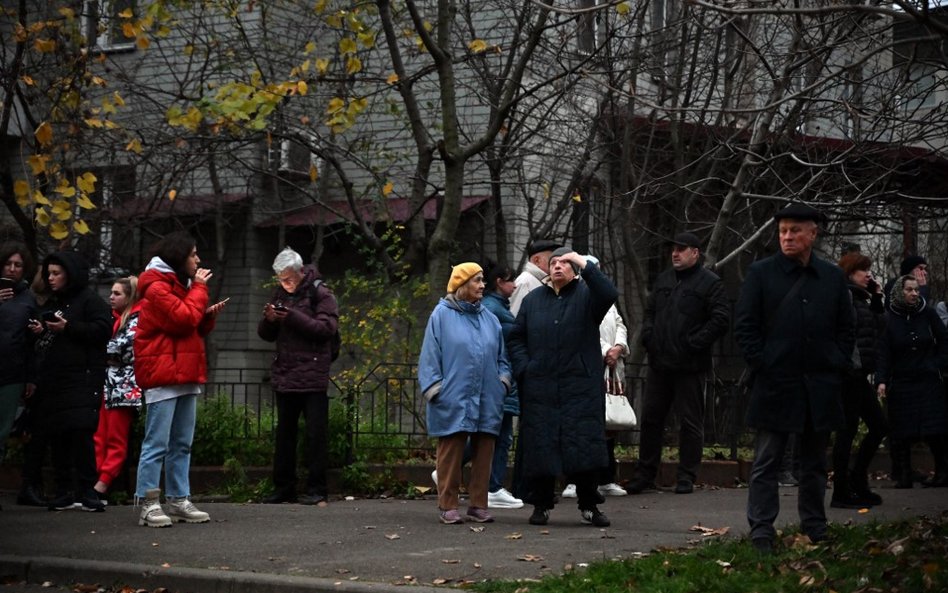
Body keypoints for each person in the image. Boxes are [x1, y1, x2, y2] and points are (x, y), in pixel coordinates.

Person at [734, 203, 855, 554]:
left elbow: (846, 329)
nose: (787, 237)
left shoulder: (832, 277)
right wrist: (764, 361)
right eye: (783, 231)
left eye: (795, 231)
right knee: (767, 461)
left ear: (813, 234)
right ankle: (761, 531)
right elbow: (745, 327)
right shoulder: (761, 273)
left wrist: (835, 361)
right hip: (775, 383)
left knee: (814, 462)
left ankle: (815, 526)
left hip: (819, 384)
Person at [508, 248, 618, 527]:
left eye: (565, 263)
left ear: (575, 269)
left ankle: (589, 505)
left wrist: (583, 262)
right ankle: (542, 504)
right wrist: (525, 368)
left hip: (579, 387)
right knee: (542, 445)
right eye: (553, 262)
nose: (557, 267)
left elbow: (609, 293)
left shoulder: (587, 296)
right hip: (541, 387)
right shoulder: (533, 300)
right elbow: (516, 338)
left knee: (583, 447)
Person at [134, 232, 227, 527]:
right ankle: (149, 503)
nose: (198, 260)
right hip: (164, 375)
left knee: (182, 443)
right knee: (157, 443)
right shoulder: (156, 286)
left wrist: (205, 316)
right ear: (178, 257)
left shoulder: (179, 285)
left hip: (183, 372)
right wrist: (199, 291)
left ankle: (178, 499)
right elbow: (182, 319)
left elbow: (188, 326)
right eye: (193, 254)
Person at [630, 232, 730, 495]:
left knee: (690, 422)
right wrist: (649, 338)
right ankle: (645, 474)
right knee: (651, 419)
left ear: (695, 252)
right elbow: (650, 312)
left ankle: (686, 476)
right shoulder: (664, 279)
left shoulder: (710, 283)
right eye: (673, 249)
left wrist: (693, 343)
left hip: (690, 365)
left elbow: (720, 319)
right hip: (660, 363)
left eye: (681, 249)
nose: (675, 253)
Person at [418, 263, 511, 524]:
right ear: (461, 284)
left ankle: (478, 505)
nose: (483, 285)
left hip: (488, 395)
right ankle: (448, 505)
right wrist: (435, 389)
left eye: (483, 281)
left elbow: (503, 357)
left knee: (484, 451)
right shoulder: (441, 315)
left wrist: (503, 381)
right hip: (452, 394)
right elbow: (429, 356)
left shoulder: (490, 319)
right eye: (477, 281)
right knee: (451, 450)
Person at [25, 252, 112, 512]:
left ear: (69, 274)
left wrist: (69, 328)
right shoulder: (56, 301)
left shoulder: (90, 300)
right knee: (58, 434)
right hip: (56, 378)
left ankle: (87, 489)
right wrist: (43, 329)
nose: (50, 278)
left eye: (56, 273)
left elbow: (102, 330)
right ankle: (64, 490)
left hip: (82, 377)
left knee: (81, 432)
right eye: (48, 273)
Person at [259, 247, 339, 506]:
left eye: (289, 278)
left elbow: (326, 328)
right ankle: (284, 487)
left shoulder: (321, 293)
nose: (286, 284)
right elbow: (266, 334)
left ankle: (317, 488)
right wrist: (270, 320)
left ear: (300, 271)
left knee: (315, 435)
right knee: (285, 434)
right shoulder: (280, 293)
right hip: (286, 372)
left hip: (313, 374)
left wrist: (291, 316)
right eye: (281, 279)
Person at [563, 256, 630, 499]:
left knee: (608, 428)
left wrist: (619, 347)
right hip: (591, 367)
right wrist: (604, 351)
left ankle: (606, 477)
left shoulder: (606, 298)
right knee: (583, 427)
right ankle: (573, 480)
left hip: (611, 370)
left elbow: (619, 323)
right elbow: (580, 328)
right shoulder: (577, 296)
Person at [876, 275, 948, 488]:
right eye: (909, 290)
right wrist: (882, 380)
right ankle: (904, 475)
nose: (914, 294)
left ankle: (942, 473)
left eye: (916, 290)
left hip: (928, 379)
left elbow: (944, 340)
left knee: (935, 429)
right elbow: (884, 352)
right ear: (900, 291)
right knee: (901, 430)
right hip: (902, 380)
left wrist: (937, 364)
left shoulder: (928, 314)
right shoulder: (890, 319)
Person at [830, 253, 887, 508]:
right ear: (849, 272)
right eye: (863, 270)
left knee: (878, 426)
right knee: (847, 432)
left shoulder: (860, 299)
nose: (868, 274)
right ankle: (842, 490)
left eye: (868, 270)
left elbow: (878, 328)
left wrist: (877, 297)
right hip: (847, 375)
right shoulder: (844, 297)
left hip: (859, 374)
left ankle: (856, 479)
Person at [92, 276, 144, 503]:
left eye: (117, 293)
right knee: (99, 436)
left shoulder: (137, 320)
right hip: (109, 386)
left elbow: (122, 350)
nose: (111, 297)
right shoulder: (114, 319)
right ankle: (95, 482)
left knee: (115, 438)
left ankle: (102, 484)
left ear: (130, 296)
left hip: (124, 388)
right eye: (111, 292)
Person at [480, 261, 524, 510]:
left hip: (502, 378)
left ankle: (446, 473)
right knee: (497, 435)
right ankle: (493, 487)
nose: (515, 285)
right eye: (510, 280)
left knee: (494, 434)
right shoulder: (492, 309)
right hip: (500, 380)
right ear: (499, 282)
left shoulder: (496, 307)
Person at [1, 242, 37, 511]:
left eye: (18, 265)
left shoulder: (27, 298)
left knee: (2, 432)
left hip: (11, 373)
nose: (12, 269)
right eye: (8, 264)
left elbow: (29, 342)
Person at [509, 239, 561, 317]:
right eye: (552, 260)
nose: (557, 265)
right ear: (537, 261)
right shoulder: (525, 282)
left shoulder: (543, 281)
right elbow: (515, 317)